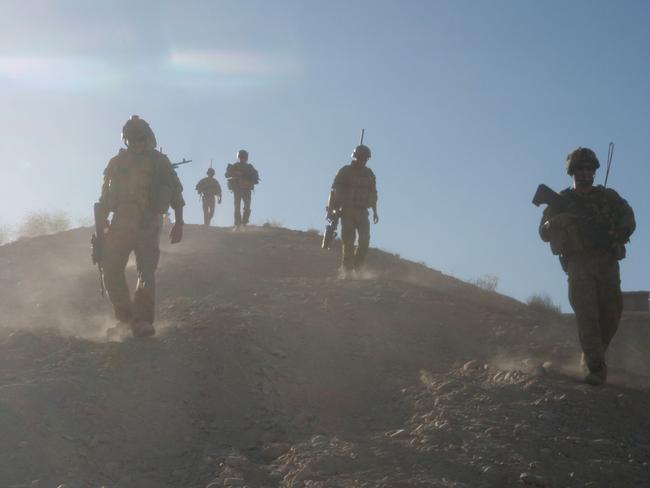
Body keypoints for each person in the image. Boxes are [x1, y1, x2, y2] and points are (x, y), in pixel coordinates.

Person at [538, 147, 635, 385]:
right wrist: (558, 221)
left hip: (607, 262)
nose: (584, 173)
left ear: (594, 172)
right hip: (579, 263)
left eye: (589, 169)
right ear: (572, 172)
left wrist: (616, 232)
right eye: (580, 169)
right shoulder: (562, 201)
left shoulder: (608, 197)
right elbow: (543, 232)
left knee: (611, 315)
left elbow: (629, 218)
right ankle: (596, 368)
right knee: (587, 314)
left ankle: (591, 356)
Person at [95, 115, 185, 338]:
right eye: (132, 139)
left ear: (148, 138)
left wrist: (179, 222)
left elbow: (175, 191)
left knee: (146, 272)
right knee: (111, 269)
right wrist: (101, 225)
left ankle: (143, 321)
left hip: (148, 222)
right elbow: (105, 196)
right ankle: (125, 319)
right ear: (126, 139)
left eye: (140, 139)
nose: (137, 144)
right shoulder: (117, 163)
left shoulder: (159, 161)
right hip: (120, 222)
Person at [327, 144, 378, 276]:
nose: (362, 161)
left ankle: (358, 267)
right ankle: (347, 270)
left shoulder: (369, 174)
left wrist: (375, 211)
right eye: (361, 158)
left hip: (362, 211)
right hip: (347, 211)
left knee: (364, 241)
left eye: (365, 159)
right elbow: (334, 191)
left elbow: (373, 194)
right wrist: (331, 210)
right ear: (355, 157)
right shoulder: (345, 171)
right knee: (348, 241)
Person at [225, 149, 259, 229]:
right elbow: (227, 174)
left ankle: (244, 223)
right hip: (237, 189)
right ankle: (237, 224)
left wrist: (250, 178)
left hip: (246, 189)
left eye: (243, 157)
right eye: (241, 157)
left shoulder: (249, 167)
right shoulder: (235, 166)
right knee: (237, 207)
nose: (242, 159)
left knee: (246, 208)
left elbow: (256, 179)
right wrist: (235, 174)